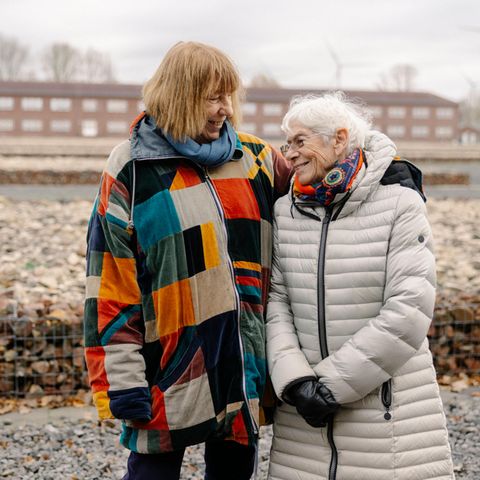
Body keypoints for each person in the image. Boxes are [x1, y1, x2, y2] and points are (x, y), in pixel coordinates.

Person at [83, 41, 290, 480]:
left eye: (230, 95)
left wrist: (382, 173)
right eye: (213, 97)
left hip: (242, 361)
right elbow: (110, 285)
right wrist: (122, 380)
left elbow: (324, 188)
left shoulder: (256, 161)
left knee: (234, 471)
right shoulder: (132, 169)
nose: (226, 109)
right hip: (169, 366)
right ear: (179, 95)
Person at [266, 92, 455, 479]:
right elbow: (276, 302)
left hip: (385, 414)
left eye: (301, 141)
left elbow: (409, 309)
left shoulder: (399, 204)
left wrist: (333, 387)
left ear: (338, 139)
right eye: (288, 144)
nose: (291, 154)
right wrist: (295, 381)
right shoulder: (285, 210)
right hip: (303, 413)